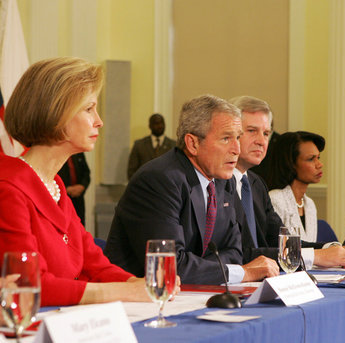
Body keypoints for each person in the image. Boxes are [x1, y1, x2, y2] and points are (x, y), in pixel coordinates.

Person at [0, 57, 177, 307]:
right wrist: (125, 292)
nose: (99, 121)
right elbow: (33, 286)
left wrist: (136, 284)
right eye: (89, 109)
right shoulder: (8, 192)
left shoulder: (55, 186)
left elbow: (96, 266)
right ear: (56, 113)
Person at [105, 94, 279, 285]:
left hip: (197, 295)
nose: (236, 149)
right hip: (141, 304)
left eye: (238, 137)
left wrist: (201, 269)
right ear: (193, 143)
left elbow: (234, 252)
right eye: (226, 138)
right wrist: (242, 273)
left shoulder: (221, 181)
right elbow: (171, 266)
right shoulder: (159, 179)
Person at [231, 96, 345, 269]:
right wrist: (317, 256)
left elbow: (280, 241)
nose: (261, 141)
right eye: (251, 131)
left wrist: (330, 248)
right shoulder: (218, 184)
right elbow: (241, 254)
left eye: (266, 133)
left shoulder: (256, 184)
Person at [127, 113, 176, 179]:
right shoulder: (139, 145)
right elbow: (131, 172)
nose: (160, 126)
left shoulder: (174, 145)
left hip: (167, 186)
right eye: (156, 123)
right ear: (150, 126)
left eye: (162, 123)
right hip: (144, 186)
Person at [58, 152, 90, 225]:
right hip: (61, 198)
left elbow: (86, 172)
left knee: (80, 226)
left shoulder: (78, 152)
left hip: (78, 199)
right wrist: (66, 189)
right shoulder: (56, 153)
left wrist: (82, 186)